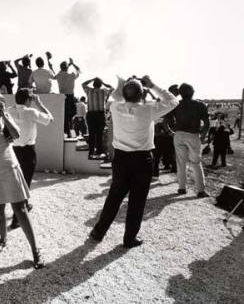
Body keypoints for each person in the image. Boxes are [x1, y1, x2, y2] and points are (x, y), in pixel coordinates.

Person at [90, 76, 178, 248]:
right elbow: (173, 101)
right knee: (137, 201)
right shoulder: (149, 110)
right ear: (143, 93)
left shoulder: (115, 106)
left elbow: (115, 96)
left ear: (124, 94)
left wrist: (124, 84)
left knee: (114, 197)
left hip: (121, 159)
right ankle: (129, 238)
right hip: (142, 160)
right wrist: (151, 84)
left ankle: (98, 232)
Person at [0, 90, 44, 269]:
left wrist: (3, 114)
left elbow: (16, 134)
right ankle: (3, 239)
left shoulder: (4, 118)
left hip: (8, 166)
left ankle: (36, 250)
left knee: (20, 209)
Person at [6, 89, 54, 229]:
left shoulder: (9, 111)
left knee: (18, 182)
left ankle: (25, 205)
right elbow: (50, 119)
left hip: (13, 151)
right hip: (28, 152)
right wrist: (39, 104)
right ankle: (17, 218)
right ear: (28, 100)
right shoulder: (32, 112)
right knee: (25, 183)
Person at [165, 83, 210, 198]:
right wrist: (203, 135)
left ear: (180, 93)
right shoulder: (200, 105)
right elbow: (206, 123)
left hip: (179, 134)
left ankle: (182, 188)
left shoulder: (176, 104)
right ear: (193, 92)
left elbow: (165, 121)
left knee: (181, 163)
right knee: (196, 162)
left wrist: (170, 132)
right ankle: (200, 190)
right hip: (193, 134)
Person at [81, 77, 114, 158]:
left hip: (91, 114)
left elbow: (83, 84)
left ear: (93, 84)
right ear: (100, 84)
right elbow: (112, 88)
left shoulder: (89, 90)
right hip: (100, 114)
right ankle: (99, 152)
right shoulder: (104, 91)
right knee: (99, 134)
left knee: (92, 134)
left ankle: (91, 152)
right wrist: (104, 83)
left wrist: (91, 79)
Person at [55, 58, 80, 137]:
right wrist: (72, 64)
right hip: (70, 96)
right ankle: (68, 131)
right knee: (70, 116)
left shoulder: (59, 75)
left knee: (65, 116)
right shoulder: (72, 75)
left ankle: (67, 131)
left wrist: (68, 65)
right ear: (67, 68)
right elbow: (78, 70)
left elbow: (59, 73)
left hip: (62, 97)